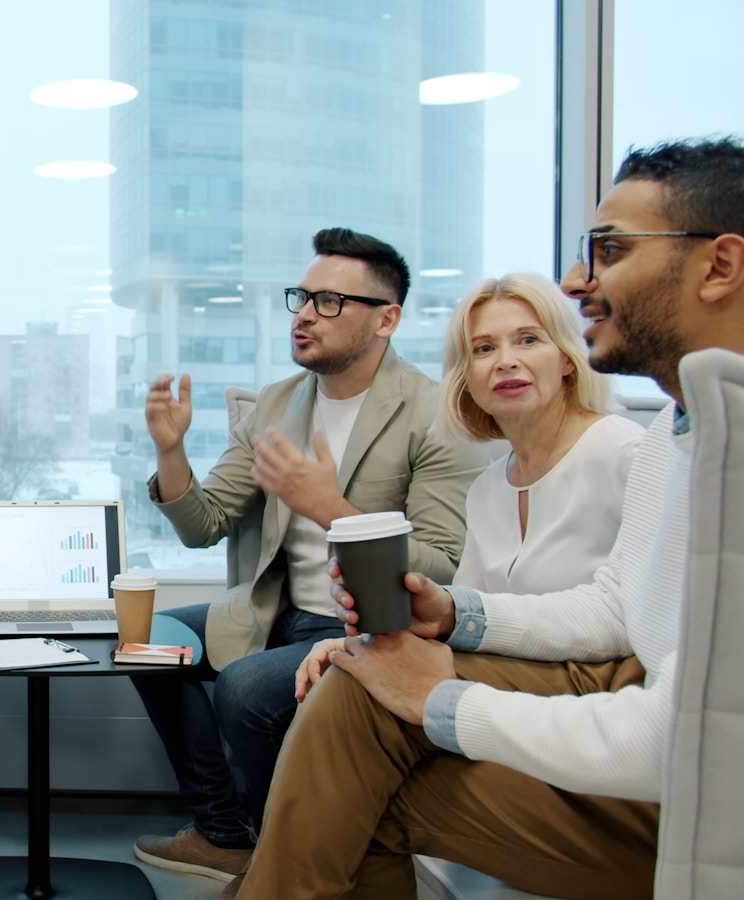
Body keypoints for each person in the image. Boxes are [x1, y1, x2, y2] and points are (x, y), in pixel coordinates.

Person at [239, 137, 744, 899]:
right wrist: (452, 615)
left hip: (680, 790)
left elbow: (678, 735)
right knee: (351, 739)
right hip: (608, 709)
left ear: (721, 265)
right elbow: (614, 603)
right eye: (482, 348)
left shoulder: (641, 449)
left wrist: (440, 700)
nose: (579, 278)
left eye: (609, 250)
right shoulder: (679, 441)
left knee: (335, 729)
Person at [129, 227, 490, 886]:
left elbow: (443, 562)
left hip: (371, 626)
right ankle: (225, 831)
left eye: (329, 301)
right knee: (146, 640)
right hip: (277, 612)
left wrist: (333, 511)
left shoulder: (439, 412)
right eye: (302, 296)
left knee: (246, 691)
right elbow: (203, 525)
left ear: (387, 318)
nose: (303, 314)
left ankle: (288, 856)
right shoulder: (278, 403)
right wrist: (170, 451)